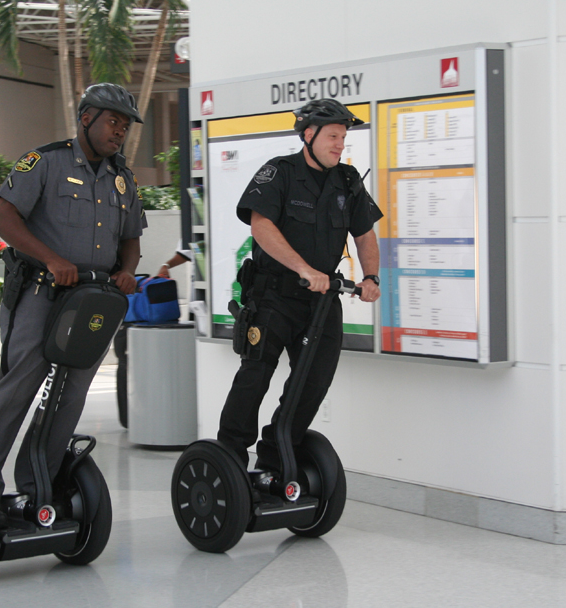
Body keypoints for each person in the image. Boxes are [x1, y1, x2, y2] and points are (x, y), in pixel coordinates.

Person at [0, 83, 146, 501]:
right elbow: (2, 216)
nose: (119, 131)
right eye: (112, 122)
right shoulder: (44, 162)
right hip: (39, 291)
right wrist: (51, 259)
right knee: (21, 384)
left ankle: (38, 483)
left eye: (124, 126)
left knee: (72, 394)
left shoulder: (122, 180)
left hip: (92, 301)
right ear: (86, 118)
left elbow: (131, 238)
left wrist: (126, 271)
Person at [217, 98, 383, 469]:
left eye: (343, 137)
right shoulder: (280, 173)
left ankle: (277, 456)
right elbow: (261, 226)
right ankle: (228, 456)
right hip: (273, 294)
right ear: (309, 135)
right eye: (333, 136)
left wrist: (371, 276)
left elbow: (365, 234)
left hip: (322, 303)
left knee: (313, 382)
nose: (340, 145)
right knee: (255, 375)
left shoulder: (348, 180)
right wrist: (303, 268)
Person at [113, 245, 193, 428]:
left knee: (126, 365)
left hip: (129, 319)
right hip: (137, 320)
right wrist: (166, 265)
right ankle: (130, 418)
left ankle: (129, 418)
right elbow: (186, 251)